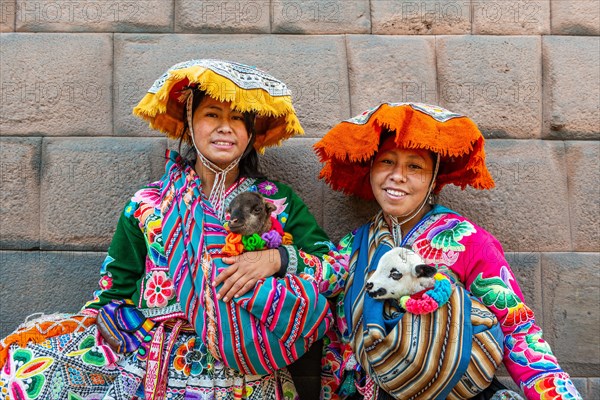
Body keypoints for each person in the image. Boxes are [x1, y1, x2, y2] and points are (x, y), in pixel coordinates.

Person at [0, 59, 346, 400]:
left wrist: (277, 258)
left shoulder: (277, 201)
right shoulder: (148, 204)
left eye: (238, 118)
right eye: (212, 114)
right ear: (190, 123)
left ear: (250, 133)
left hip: (250, 369)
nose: (226, 127)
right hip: (160, 368)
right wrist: (95, 325)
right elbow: (115, 287)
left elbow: (335, 270)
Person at [315, 103, 582, 400]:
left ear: (434, 178)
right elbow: (338, 346)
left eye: (414, 166)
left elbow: (518, 331)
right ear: (371, 169)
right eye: (387, 162)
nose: (397, 176)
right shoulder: (348, 248)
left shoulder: (467, 241)